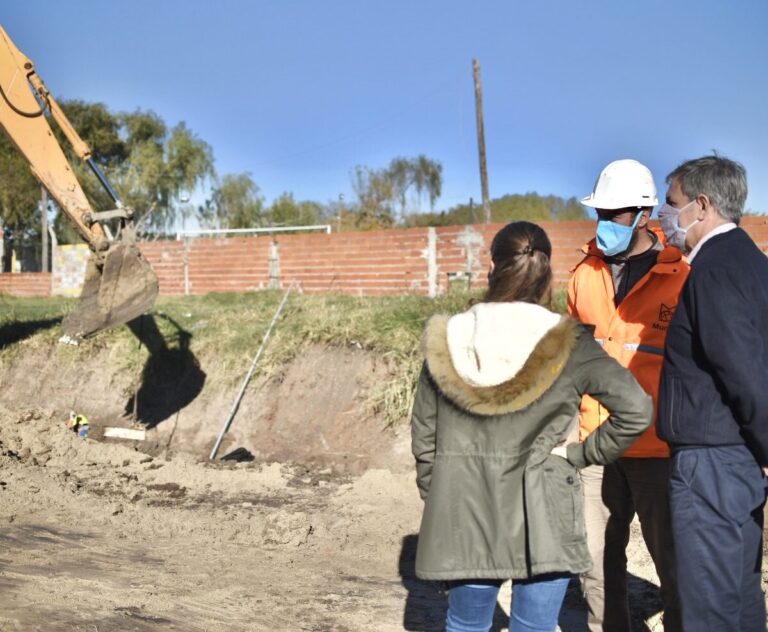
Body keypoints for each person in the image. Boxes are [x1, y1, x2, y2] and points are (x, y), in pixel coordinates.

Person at [411, 220, 653, 632]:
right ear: (546, 272)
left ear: (492, 266)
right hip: (546, 510)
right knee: (535, 627)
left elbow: (425, 439)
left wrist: (439, 494)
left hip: (464, 508)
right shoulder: (569, 343)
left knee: (466, 626)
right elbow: (636, 410)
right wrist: (580, 455)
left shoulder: (447, 340)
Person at [568, 159, 687, 631]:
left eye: (615, 214)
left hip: (658, 446)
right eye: (600, 213)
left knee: (674, 564)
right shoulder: (583, 275)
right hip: (596, 444)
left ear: (643, 214)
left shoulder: (681, 279)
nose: (605, 224)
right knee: (595, 563)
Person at [657, 155, 768, 631]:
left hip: (713, 462)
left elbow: (742, 369)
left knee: (710, 608)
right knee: (738, 596)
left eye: (671, 204)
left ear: (701, 206)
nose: (664, 216)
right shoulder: (750, 261)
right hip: (735, 456)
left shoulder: (716, 269)